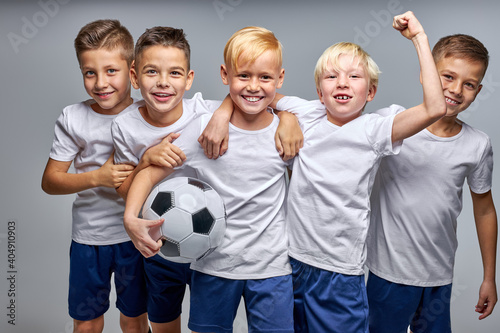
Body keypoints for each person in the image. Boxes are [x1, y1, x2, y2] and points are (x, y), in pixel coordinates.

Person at [271, 11, 446, 332]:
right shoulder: (306, 112)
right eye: (331, 76)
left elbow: (435, 108)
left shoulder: (375, 129)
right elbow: (258, 94)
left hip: (339, 272)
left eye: (354, 76)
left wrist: (420, 39)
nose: (342, 82)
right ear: (319, 91)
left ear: (371, 92)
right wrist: (285, 117)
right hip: (289, 262)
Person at [123, 26, 294, 333]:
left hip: (273, 268)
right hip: (214, 267)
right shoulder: (206, 128)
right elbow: (150, 171)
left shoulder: (287, 131)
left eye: (265, 78)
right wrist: (129, 217)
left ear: (279, 79)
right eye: (243, 76)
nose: (253, 86)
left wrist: (289, 116)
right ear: (224, 75)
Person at [366, 34, 498, 333]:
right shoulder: (392, 124)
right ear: (426, 74)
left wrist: (489, 277)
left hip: (439, 276)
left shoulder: (477, 145)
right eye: (448, 77)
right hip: (388, 274)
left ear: (478, 90)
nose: (455, 90)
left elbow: (485, 211)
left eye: (468, 84)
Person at [111, 26, 228, 333]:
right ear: (135, 78)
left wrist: (223, 113)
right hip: (161, 242)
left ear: (189, 79)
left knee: (208, 324)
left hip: (210, 239)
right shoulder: (125, 126)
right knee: (163, 322)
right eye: (152, 72)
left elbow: (246, 100)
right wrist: (146, 160)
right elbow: (124, 189)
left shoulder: (204, 113)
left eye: (175, 73)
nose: (163, 82)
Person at [41, 19, 149, 333]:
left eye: (110, 71)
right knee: (86, 322)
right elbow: (50, 180)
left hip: (136, 238)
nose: (100, 82)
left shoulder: (148, 114)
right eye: (90, 73)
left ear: (132, 71)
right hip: (89, 239)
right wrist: (97, 178)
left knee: (134, 319)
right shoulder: (73, 118)